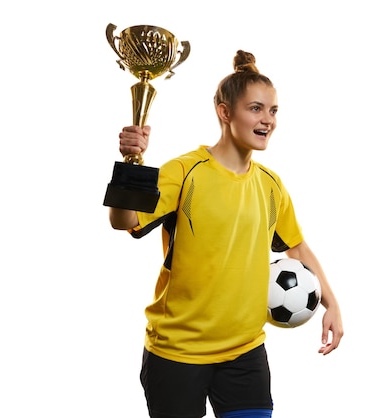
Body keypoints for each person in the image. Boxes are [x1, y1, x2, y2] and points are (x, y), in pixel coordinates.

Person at [109, 50, 344, 418]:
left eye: (273, 110)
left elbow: (296, 247)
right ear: (224, 112)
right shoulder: (185, 171)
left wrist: (333, 304)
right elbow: (124, 222)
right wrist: (129, 164)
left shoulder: (271, 186)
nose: (268, 120)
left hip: (245, 352)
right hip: (177, 354)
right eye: (256, 109)